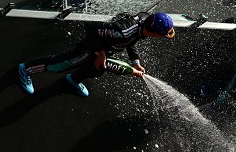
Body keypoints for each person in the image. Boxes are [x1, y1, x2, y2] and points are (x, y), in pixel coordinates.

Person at [17, 12, 176, 97]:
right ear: (154, 32)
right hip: (91, 46)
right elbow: (92, 29)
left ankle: (72, 80)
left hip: (105, 50)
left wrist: (135, 61)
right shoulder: (123, 31)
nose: (161, 37)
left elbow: (132, 41)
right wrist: (100, 53)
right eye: (162, 35)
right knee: (59, 64)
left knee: (97, 70)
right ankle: (26, 69)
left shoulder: (145, 23)